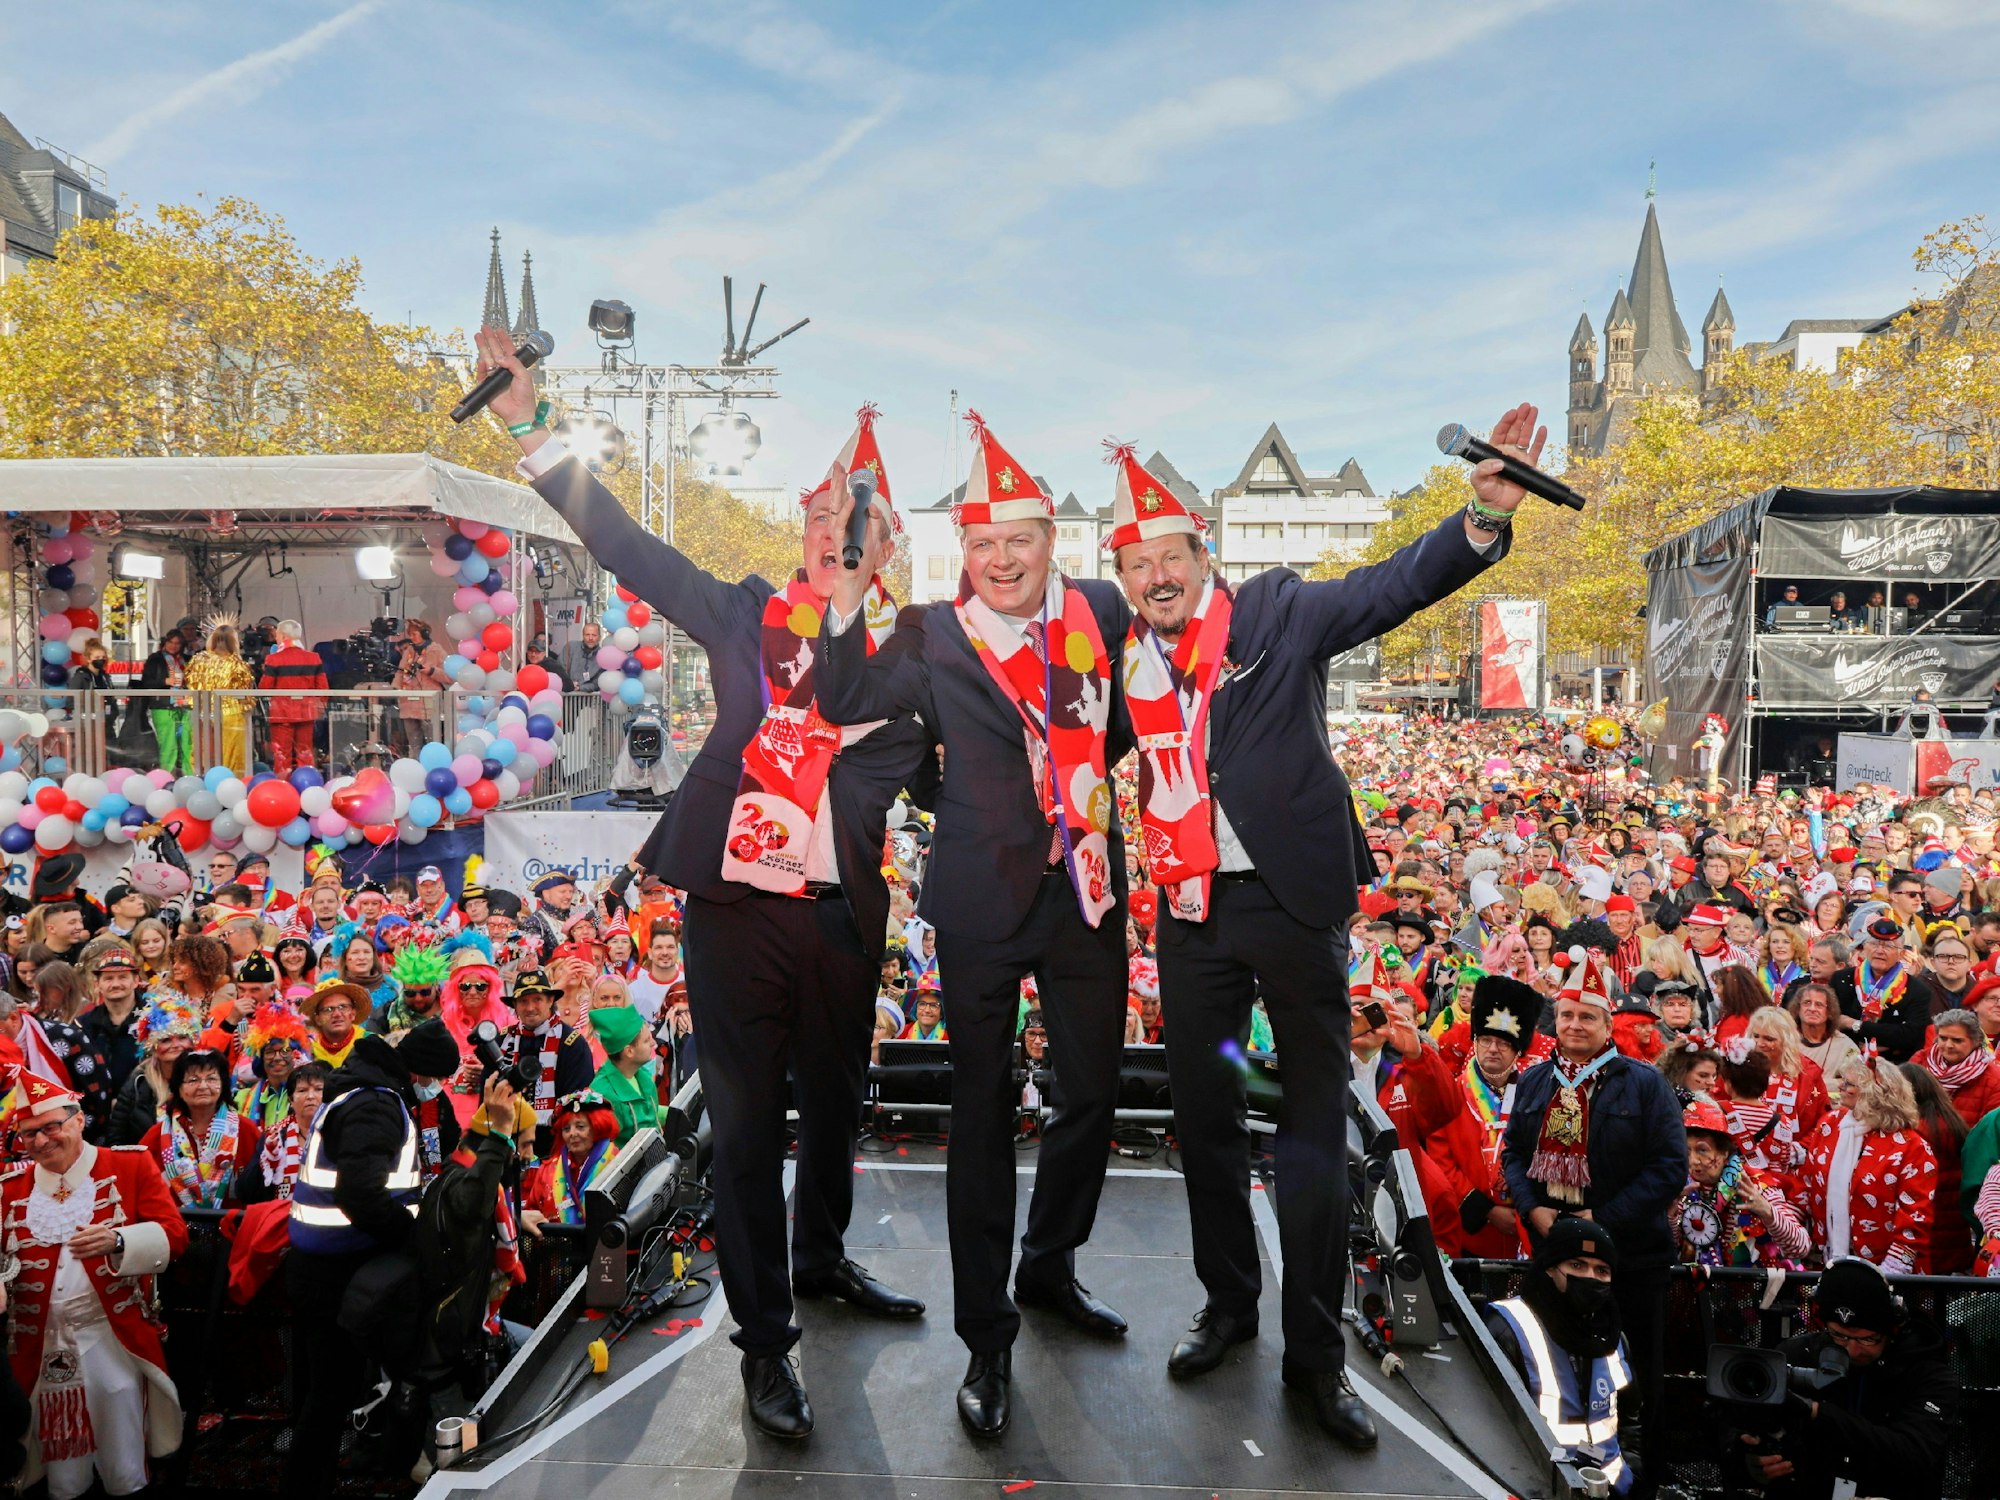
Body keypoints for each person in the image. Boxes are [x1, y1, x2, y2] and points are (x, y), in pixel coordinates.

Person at [483, 333, 937, 1444]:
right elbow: (625, 545)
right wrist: (531, 426)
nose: (838, 543)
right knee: (743, 1133)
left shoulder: (916, 654)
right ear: (803, 532)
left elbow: (968, 763)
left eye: (860, 532)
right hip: (734, 915)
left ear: (886, 555)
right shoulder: (742, 616)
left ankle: (822, 1259)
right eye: (826, 523)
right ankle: (767, 1347)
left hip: (843, 919)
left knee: (835, 1108)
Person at [1092, 420, 1522, 1445]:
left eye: (1168, 557)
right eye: (1133, 563)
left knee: (1311, 1140)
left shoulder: (1277, 611)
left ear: (1204, 555)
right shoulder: (1120, 664)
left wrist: (1478, 518)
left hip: (1293, 904)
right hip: (1192, 915)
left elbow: (1387, 585)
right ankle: (1228, 1306)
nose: (1153, 576)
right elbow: (1058, 747)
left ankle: (1315, 1358)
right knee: (1199, 1120)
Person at [816, 408, 1136, 1442]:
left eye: (1021, 541)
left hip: (1084, 888)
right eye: (984, 544)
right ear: (965, 549)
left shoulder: (1100, 610)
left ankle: (1048, 1267)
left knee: (1091, 1093)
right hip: (977, 902)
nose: (1003, 561)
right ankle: (985, 1340)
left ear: (1053, 543)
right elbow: (842, 691)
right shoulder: (923, 630)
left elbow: (1132, 720)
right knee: (982, 1114)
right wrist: (849, 591)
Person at [1502, 946, 1685, 1479]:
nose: (1575, 1024)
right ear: (1554, 1022)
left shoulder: (1645, 1083)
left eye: (1587, 1016)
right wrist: (1532, 1207)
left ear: (1607, 1024)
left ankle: (1639, 1479)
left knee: (1637, 1378)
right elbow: (1513, 1152)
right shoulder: (1534, 1080)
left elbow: (1669, 1166)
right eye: (1567, 1015)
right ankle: (1552, 1474)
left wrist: (1600, 1220)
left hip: (1633, 1261)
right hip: (1553, 1259)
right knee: (1554, 1369)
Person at [284, 1024, 458, 1500]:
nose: (436, 1089)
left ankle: (322, 1477)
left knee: (328, 1393)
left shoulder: (359, 1090)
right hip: (338, 1271)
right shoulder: (376, 1103)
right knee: (329, 1395)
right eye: (437, 1078)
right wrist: (412, 1237)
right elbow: (360, 1191)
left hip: (328, 1262)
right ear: (419, 1070)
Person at [0, 1069, 189, 1500]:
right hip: (38, 1348)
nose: (41, 1141)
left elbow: (175, 1235)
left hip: (113, 1340)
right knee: (59, 1472)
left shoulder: (129, 1163)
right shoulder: (8, 1189)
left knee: (125, 1463)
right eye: (28, 1135)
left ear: (79, 1120)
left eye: (51, 1127)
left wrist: (121, 1240)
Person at [1733, 1258, 1955, 1500]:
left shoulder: (1927, 1372)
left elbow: (1915, 1454)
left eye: (1867, 1339)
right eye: (1839, 1335)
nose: (1851, 1351)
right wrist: (1750, 1459)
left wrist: (1818, 1412)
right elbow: (1736, 1424)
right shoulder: (1797, 1355)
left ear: (1892, 1330)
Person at [1481, 1217, 1635, 1494]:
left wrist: (1633, 1470)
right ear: (1551, 1268)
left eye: (1602, 1271)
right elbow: (1491, 1429)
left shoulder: (1612, 1334)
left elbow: (1631, 1417)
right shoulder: (1510, 1329)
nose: (1590, 1277)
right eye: (1577, 1265)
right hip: (1537, 1488)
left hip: (1611, 1489)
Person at [1799, 1056, 1939, 1273]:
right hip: (1826, 1263)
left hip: (1886, 1272)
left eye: (1849, 1084)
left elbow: (1915, 1217)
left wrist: (1890, 1271)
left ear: (1875, 1092)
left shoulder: (1912, 1147)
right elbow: (1806, 1184)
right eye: (1842, 1080)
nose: (1840, 1087)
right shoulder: (1830, 1125)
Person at [1673, 1096, 1809, 1267]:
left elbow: (1801, 1247)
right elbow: (1669, 1247)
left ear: (1725, 1152)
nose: (1693, 1161)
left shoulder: (1755, 1187)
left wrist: (1767, 1211)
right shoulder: (1684, 1188)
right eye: (1687, 1151)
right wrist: (1670, 1214)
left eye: (1702, 1150)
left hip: (1756, 1289)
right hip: (1704, 1290)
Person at [138, 1048, 262, 1209]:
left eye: (211, 1079)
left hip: (233, 1227)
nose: (203, 1086)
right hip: (176, 1227)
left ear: (223, 1085)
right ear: (178, 1089)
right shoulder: (159, 1135)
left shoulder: (246, 1130)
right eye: (193, 1080)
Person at [500, 967, 594, 1151]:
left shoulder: (571, 1043)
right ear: (515, 1006)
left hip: (556, 1145)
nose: (530, 1007)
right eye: (523, 1001)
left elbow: (577, 1102)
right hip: (507, 1144)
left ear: (551, 1000)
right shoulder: (502, 1041)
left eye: (537, 1000)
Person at [521, 1090, 622, 1233]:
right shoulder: (548, 1169)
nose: (572, 1134)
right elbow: (532, 1211)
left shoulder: (618, 1164)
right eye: (566, 1129)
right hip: (555, 1251)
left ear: (598, 1128)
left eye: (580, 1127)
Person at [256, 619, 327, 774]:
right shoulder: (314, 658)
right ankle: (307, 784)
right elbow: (323, 688)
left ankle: (283, 786)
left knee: (282, 754)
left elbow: (264, 688)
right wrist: (319, 708)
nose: (275, 638)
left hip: (281, 714)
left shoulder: (273, 659)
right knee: (305, 753)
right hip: (306, 713)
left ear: (282, 635)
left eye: (277, 634)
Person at [584, 1005, 662, 1146]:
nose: (653, 1043)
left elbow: (650, 1110)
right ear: (629, 1051)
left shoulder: (642, 1076)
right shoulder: (603, 1094)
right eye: (646, 1041)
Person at [184, 619, 255, 776]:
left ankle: (201, 783)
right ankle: (230, 785)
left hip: (202, 713)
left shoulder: (198, 659)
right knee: (231, 756)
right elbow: (244, 694)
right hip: (231, 714)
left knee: (203, 754)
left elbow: (190, 683)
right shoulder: (237, 663)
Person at [138, 628, 191, 775]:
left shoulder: (186, 659)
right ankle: (166, 776)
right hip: (163, 706)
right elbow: (146, 682)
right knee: (168, 743)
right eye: (171, 642)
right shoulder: (155, 659)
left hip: (185, 705)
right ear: (165, 642)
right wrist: (165, 680)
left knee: (187, 743)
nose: (174, 646)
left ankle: (190, 776)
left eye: (177, 643)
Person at [393, 619, 447, 757]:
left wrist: (431, 671)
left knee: (432, 742)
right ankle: (414, 768)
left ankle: (434, 766)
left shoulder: (436, 650)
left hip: (428, 706)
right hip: (408, 704)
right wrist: (395, 688)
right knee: (413, 744)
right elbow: (400, 672)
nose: (411, 637)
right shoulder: (409, 651)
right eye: (409, 634)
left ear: (425, 633)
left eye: (414, 634)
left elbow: (449, 676)